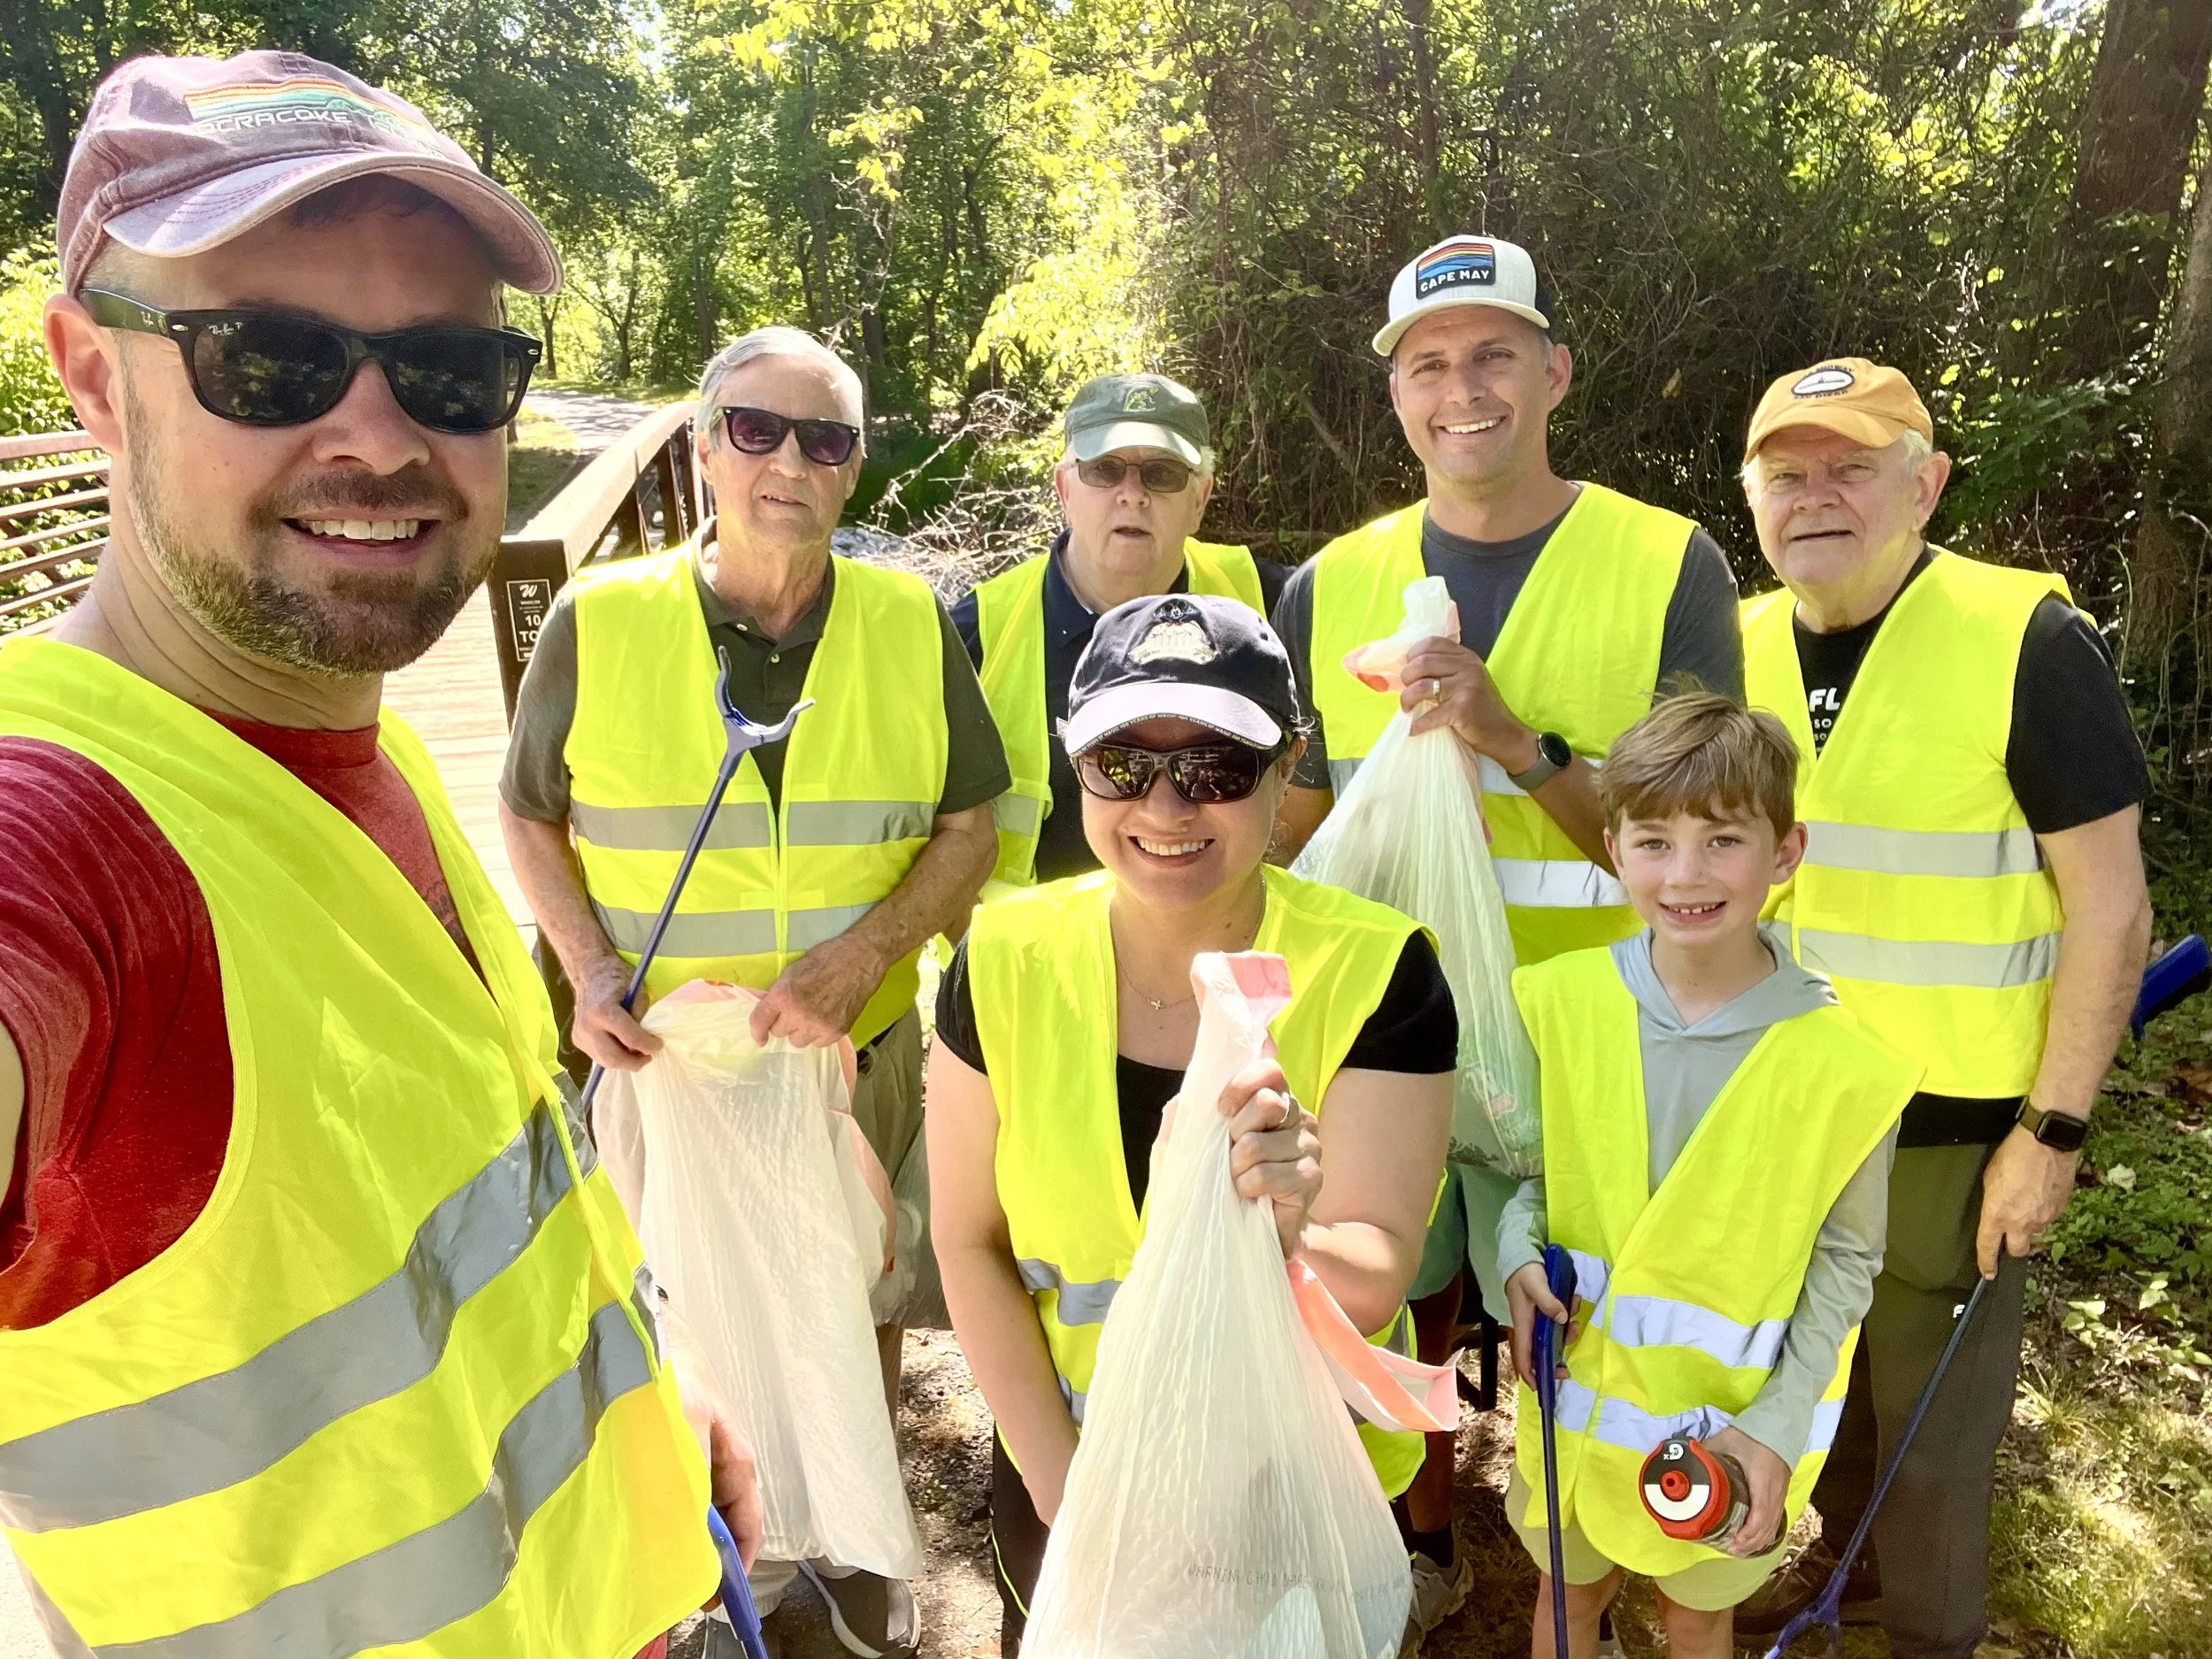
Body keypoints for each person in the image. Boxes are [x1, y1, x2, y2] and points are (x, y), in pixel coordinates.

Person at [0, 50, 757, 1659]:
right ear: (90, 372)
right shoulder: (65, 849)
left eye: (447, 371)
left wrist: (645, 1409)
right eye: (266, 359)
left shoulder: (357, 730)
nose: (378, 435)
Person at [499, 325, 1009, 1654]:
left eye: (825, 438)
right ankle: (714, 1562)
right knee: (679, 1310)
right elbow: (527, 816)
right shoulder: (598, 619)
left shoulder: (908, 619)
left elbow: (971, 826)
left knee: (858, 1296)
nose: (789, 459)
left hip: (857, 1049)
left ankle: (848, 1553)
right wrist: (587, 966)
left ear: (853, 468)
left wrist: (867, 957)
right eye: (757, 429)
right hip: (670, 1067)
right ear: (705, 443)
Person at [1269, 232, 1745, 1639]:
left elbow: (1702, 843)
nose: (1460, 387)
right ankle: (1412, 1535)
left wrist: (1508, 736)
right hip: (1389, 1036)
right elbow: (1300, 818)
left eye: (1492, 354)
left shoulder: (1668, 565)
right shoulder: (1327, 585)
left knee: (1575, 1313)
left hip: (1593, 1032)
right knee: (1381, 1295)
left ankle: (1589, 1570)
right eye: (1429, 363)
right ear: (1396, 395)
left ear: (1554, 372)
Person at [926, 595, 1455, 1655]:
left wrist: (1290, 1226)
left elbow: (1377, 1270)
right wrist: (1069, 1489)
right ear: (1072, 763)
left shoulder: (1379, 970)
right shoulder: (1004, 957)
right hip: (1064, 1465)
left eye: (1215, 766)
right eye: (1123, 762)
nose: (1166, 806)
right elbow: (967, 1242)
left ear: (1288, 767)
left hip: (1288, 1491)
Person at [1728, 361, 2153, 1659]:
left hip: (1960, 1129)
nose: (1818, 497)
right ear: (1751, 497)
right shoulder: (1734, 643)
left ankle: (1923, 1631)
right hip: (1792, 1114)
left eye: (1852, 465)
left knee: (1933, 1440)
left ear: (1927, 482)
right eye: (1787, 473)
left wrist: (2055, 1128)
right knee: (1827, 1391)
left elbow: (2115, 907)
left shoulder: (2023, 636)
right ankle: (1840, 1575)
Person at [1499, 693, 1920, 1659]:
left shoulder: (1844, 1068)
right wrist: (1515, 1254)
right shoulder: (1562, 1003)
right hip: (1573, 1412)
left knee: (1695, 1617)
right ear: (1613, 848)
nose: (1685, 876)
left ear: (1784, 853)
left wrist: (1772, 1432)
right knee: (1567, 1601)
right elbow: (1534, 1182)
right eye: (1653, 841)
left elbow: (1845, 1264)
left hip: (1730, 1426)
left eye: (1722, 840)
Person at [953, 372, 1286, 890]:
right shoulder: (973, 636)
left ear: (1200, 499)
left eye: (1162, 473)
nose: (1132, 495)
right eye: (1105, 470)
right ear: (1064, 488)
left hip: (1221, 956)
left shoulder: (1273, 604)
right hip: (1035, 964)